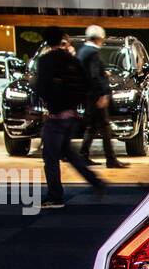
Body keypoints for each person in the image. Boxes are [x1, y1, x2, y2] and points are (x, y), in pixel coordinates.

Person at [34, 27, 104, 207]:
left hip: (56, 115)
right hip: (71, 114)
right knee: (69, 153)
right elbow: (88, 83)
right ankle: (96, 181)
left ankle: (55, 196)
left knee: (50, 157)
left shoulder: (45, 61)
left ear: (46, 41)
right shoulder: (71, 60)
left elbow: (41, 87)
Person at [77, 25, 126, 169]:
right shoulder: (92, 52)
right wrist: (102, 93)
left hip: (88, 95)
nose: (103, 41)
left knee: (92, 127)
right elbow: (94, 75)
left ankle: (83, 155)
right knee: (104, 127)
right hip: (95, 96)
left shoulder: (82, 51)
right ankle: (110, 159)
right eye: (102, 38)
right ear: (98, 38)